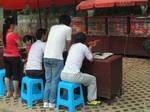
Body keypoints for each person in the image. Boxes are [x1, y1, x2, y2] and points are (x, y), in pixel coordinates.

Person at [61, 32, 101, 105]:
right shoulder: (83, 47)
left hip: (63, 75)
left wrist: (89, 47)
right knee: (92, 79)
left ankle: (65, 97)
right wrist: (90, 47)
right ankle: (91, 100)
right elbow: (91, 59)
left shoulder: (72, 46)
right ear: (84, 40)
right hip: (73, 76)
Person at [43, 14, 72, 108]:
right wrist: (69, 52)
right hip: (57, 58)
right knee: (55, 80)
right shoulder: (68, 29)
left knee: (48, 80)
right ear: (69, 22)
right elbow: (68, 45)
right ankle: (52, 103)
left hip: (46, 56)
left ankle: (45, 102)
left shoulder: (53, 27)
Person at [3, 17, 22, 98]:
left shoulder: (3, 34)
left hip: (5, 56)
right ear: (11, 25)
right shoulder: (13, 34)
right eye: (14, 24)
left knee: (7, 74)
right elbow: (20, 44)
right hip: (14, 57)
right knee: (16, 75)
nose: (14, 26)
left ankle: (8, 92)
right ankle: (15, 93)